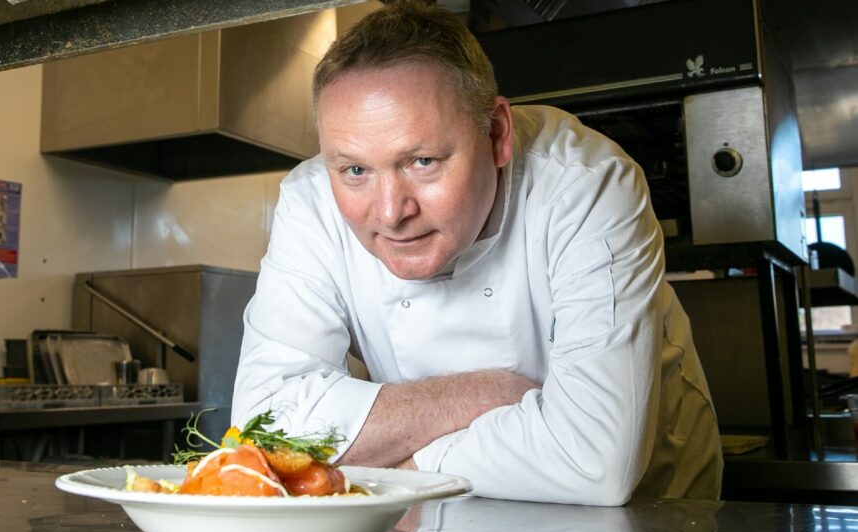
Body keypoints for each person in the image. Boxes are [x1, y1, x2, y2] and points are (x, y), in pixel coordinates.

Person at [230, 0, 722, 505]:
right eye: (355, 170)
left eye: (422, 161)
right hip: (434, 523)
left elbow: (594, 459)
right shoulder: (310, 200)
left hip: (649, 522)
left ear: (497, 133)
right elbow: (263, 426)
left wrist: (405, 468)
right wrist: (484, 394)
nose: (390, 212)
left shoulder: (586, 183)